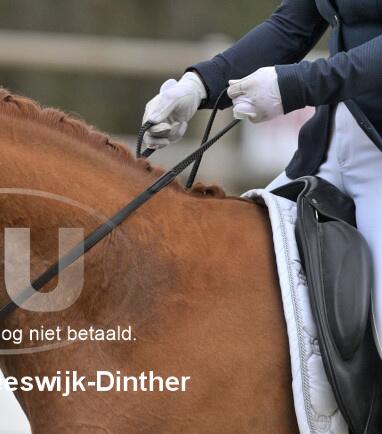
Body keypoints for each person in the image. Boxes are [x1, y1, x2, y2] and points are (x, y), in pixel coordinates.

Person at [141, 0, 382, 354]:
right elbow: (292, 25)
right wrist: (199, 85)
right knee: (226, 274)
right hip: (326, 151)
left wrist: (296, 84)